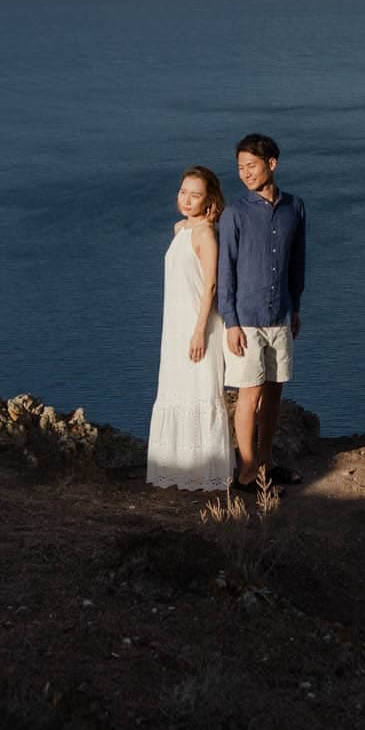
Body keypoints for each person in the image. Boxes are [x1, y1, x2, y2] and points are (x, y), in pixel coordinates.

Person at [216, 132, 306, 489]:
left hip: (280, 315)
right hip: (246, 319)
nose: (245, 173)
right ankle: (247, 472)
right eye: (240, 167)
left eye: (251, 166)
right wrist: (231, 322)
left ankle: (266, 463)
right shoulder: (235, 214)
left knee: (274, 391)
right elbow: (226, 270)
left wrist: (295, 307)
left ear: (272, 163)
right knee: (248, 394)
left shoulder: (294, 208)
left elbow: (297, 262)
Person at [145, 166, 232, 491]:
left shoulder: (206, 233)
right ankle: (179, 469)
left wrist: (199, 332)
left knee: (200, 391)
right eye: (183, 191)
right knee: (176, 388)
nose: (187, 199)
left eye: (195, 195)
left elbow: (210, 285)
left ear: (209, 199)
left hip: (200, 324)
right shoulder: (180, 228)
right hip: (176, 324)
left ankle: (205, 473)